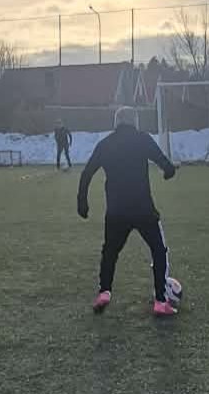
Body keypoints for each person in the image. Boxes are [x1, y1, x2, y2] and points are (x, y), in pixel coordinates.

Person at [77, 106, 179, 317]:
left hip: (116, 210)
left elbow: (86, 173)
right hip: (143, 209)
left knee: (110, 252)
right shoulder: (143, 139)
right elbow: (165, 164)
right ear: (135, 121)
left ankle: (104, 292)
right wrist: (169, 172)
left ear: (116, 122)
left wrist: (82, 202)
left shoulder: (105, 144)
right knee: (159, 250)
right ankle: (161, 300)